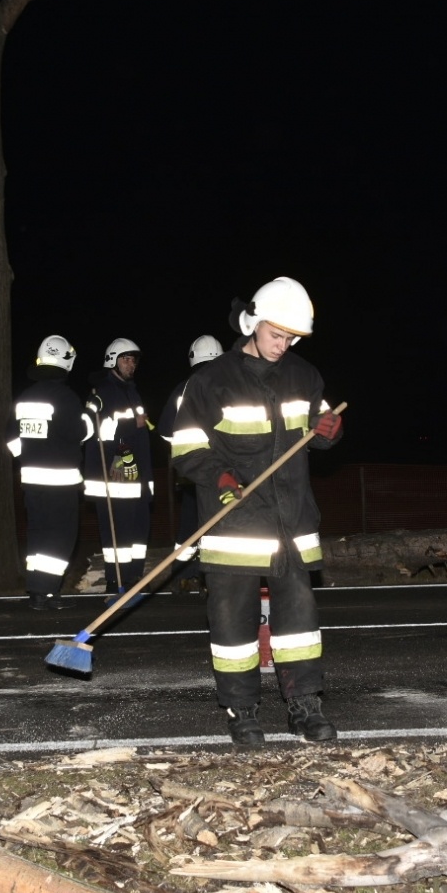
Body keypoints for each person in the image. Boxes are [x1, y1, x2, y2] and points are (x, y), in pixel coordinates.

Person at [169, 277, 343, 746]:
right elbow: (186, 449)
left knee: (300, 624)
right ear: (254, 322)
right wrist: (221, 477)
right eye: (276, 335)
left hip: (291, 524)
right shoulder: (210, 381)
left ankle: (305, 706)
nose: (282, 346)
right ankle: (241, 709)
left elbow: (320, 432)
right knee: (232, 623)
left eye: (291, 338)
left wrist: (328, 430)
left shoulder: (304, 376)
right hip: (236, 526)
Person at [8, 335, 92, 610]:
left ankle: (38, 590)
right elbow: (78, 433)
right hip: (60, 482)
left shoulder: (25, 397)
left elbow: (9, 437)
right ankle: (47, 591)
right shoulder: (65, 397)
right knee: (61, 536)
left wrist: (29, 457)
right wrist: (89, 418)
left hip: (31, 481)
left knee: (39, 533)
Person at [83, 338, 153, 601]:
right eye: (125, 359)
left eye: (133, 359)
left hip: (135, 471)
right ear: (112, 360)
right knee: (118, 528)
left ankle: (134, 577)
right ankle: (116, 579)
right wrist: (130, 426)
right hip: (115, 471)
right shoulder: (102, 393)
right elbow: (95, 430)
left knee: (138, 527)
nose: (131, 364)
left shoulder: (131, 391)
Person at [157, 334, 224, 592]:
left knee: (190, 525)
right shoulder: (230, 385)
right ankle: (217, 578)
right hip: (224, 471)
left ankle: (184, 576)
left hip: (191, 471)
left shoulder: (182, 389)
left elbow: (164, 430)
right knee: (222, 526)